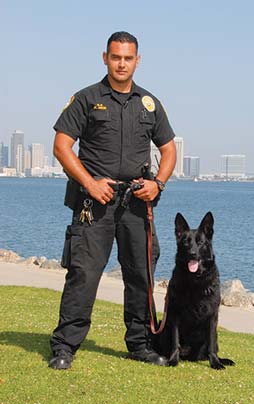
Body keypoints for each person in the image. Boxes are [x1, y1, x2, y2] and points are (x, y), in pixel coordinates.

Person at [49, 31, 176, 369]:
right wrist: (89, 184)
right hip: (95, 203)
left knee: (141, 275)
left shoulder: (149, 104)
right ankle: (64, 347)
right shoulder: (87, 99)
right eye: (116, 57)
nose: (122, 63)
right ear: (105, 58)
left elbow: (169, 149)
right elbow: (62, 146)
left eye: (128, 58)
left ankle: (140, 344)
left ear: (137, 60)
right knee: (83, 274)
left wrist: (158, 184)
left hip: (136, 203)